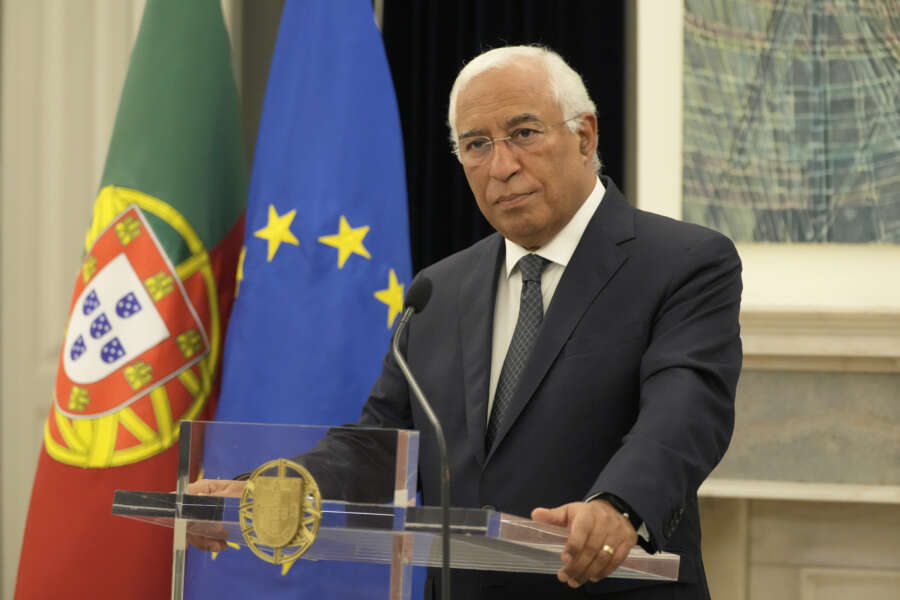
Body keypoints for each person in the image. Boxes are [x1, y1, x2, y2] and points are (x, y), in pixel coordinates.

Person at [194, 45, 742, 599]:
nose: (501, 166)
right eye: (477, 145)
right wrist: (270, 492)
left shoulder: (682, 263)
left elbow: (686, 411)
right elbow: (381, 444)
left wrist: (618, 504)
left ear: (585, 136)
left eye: (524, 133)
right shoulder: (440, 290)